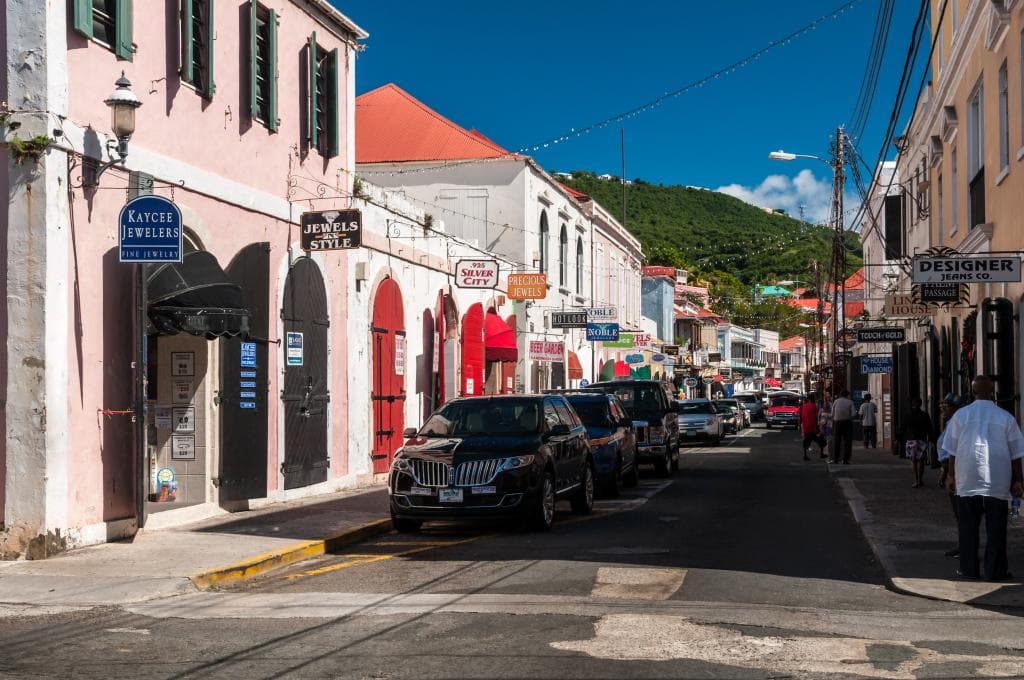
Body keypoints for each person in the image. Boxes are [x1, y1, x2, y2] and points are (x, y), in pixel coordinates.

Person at [942, 376, 1024, 582]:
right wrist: (1018, 480)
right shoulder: (1006, 417)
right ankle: (995, 571)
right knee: (996, 530)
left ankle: (969, 569)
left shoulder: (961, 416)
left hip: (967, 480)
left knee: (967, 528)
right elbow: (1016, 454)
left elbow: (951, 452)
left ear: (972, 393)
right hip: (997, 481)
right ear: (993, 392)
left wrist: (951, 476)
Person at [936, 394, 961, 558]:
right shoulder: (950, 423)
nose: (942, 408)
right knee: (959, 513)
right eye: (942, 405)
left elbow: (952, 452)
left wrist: (949, 474)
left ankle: (965, 547)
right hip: (951, 469)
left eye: (947, 405)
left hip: (956, 471)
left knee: (961, 513)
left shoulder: (955, 424)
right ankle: (963, 544)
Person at [898, 396, 935, 488]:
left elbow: (902, 428)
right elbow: (930, 428)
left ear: (912, 404)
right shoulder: (924, 415)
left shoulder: (908, 415)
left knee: (914, 462)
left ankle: (916, 480)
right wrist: (931, 439)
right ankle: (920, 479)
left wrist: (898, 438)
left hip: (911, 440)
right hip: (922, 440)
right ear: (921, 404)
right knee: (921, 461)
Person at [831, 389, 856, 464]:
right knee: (847, 442)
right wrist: (849, 416)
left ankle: (836, 459)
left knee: (837, 441)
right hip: (847, 423)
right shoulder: (850, 402)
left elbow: (832, 413)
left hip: (837, 423)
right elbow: (854, 414)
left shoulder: (836, 401)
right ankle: (845, 460)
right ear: (847, 395)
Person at [799, 394, 826, 461]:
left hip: (806, 427)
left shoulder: (804, 406)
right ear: (813, 399)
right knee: (821, 440)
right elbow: (814, 418)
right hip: (812, 427)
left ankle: (805, 455)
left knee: (806, 441)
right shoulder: (813, 406)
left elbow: (801, 417)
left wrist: (800, 426)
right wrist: (816, 428)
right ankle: (822, 454)